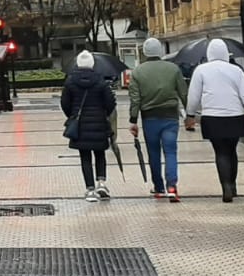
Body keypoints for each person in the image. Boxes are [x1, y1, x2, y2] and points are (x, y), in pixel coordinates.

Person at [185, 38, 244, 202]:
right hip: (235, 116)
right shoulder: (236, 71)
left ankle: (225, 186)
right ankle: (233, 185)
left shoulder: (201, 70)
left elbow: (193, 96)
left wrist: (190, 114)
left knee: (220, 151)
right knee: (232, 150)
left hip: (212, 117)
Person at [128, 37, 186, 201]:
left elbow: (135, 99)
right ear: (160, 51)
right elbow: (183, 93)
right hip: (170, 117)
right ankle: (172, 187)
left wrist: (133, 120)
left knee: (153, 153)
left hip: (149, 119)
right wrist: (190, 114)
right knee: (170, 151)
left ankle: (159, 187)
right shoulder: (173, 69)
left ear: (145, 52)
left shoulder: (137, 72)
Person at [62, 49, 117, 201]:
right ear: (92, 64)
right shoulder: (101, 81)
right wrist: (103, 114)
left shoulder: (70, 82)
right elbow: (110, 103)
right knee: (100, 153)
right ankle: (101, 183)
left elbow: (65, 104)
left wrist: (73, 116)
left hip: (80, 126)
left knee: (85, 157)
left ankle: (90, 190)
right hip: (99, 123)